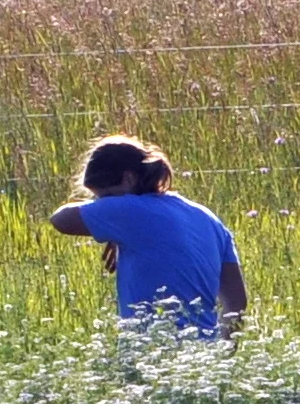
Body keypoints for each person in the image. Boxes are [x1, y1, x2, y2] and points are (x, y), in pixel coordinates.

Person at [48, 133, 248, 336]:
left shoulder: (129, 211)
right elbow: (236, 301)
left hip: (149, 353)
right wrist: (221, 352)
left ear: (129, 179)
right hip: (204, 359)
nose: (104, 204)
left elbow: (60, 219)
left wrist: (113, 219)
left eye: (106, 197)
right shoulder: (207, 218)